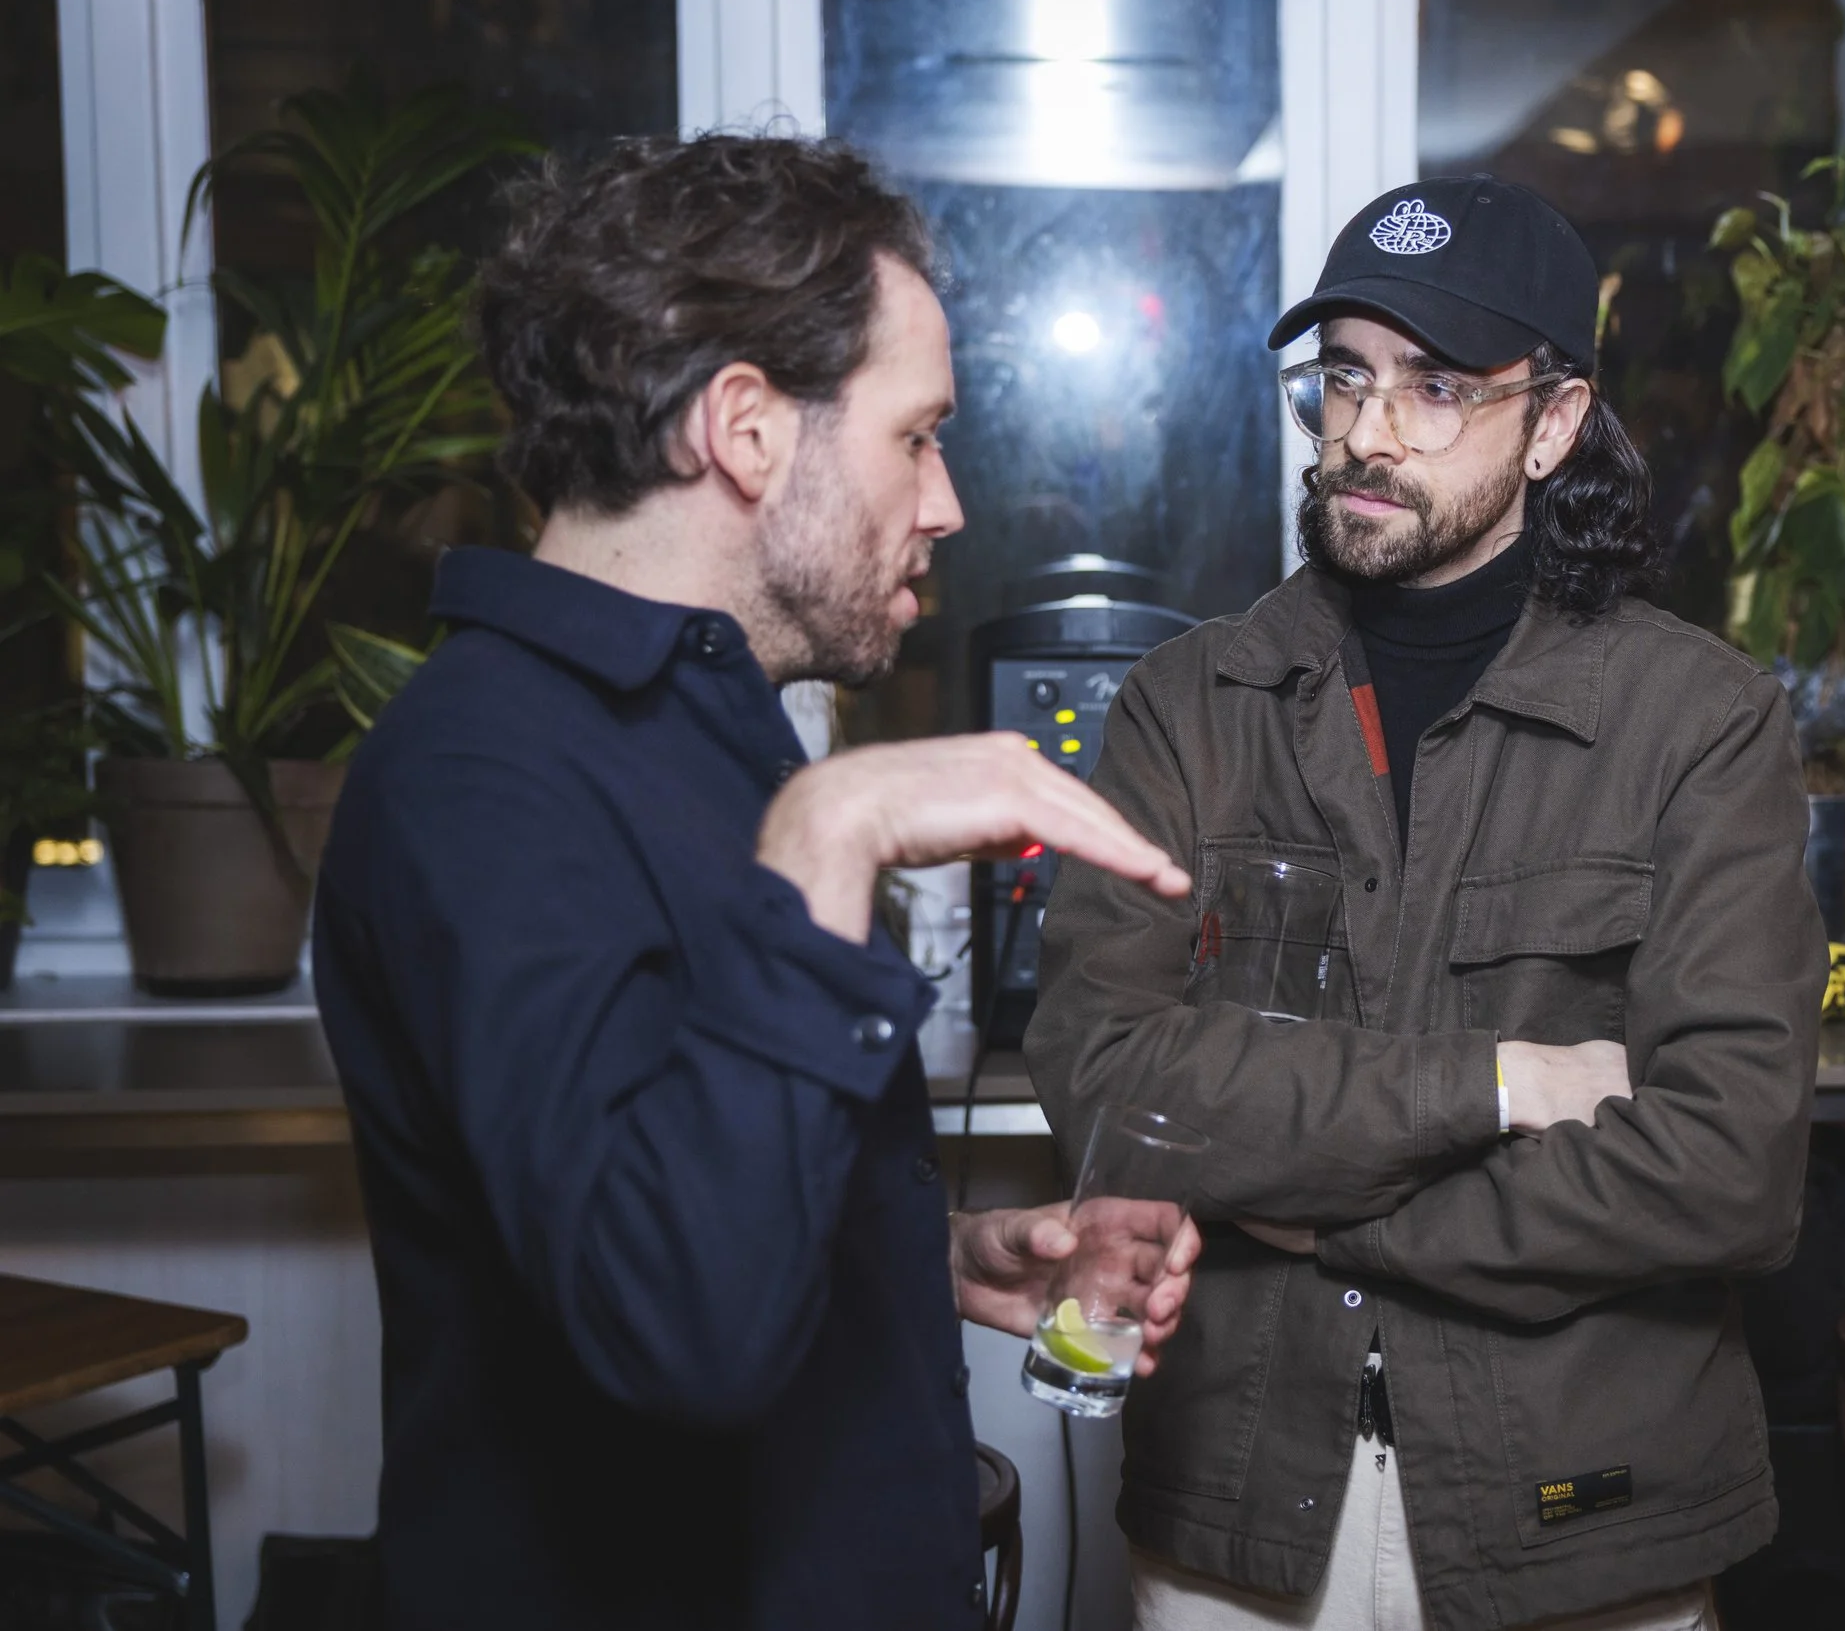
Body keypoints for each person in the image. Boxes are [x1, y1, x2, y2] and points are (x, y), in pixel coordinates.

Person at [313, 135, 1204, 1630]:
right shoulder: (482, 774)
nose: (947, 503)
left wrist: (918, 1257)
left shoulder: (694, 724)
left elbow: (669, 1173)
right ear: (744, 429)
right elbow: (673, 1322)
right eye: (916, 437)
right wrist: (831, 832)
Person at [1025, 176, 1826, 1631]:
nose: (1368, 432)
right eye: (1344, 376)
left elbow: (1729, 1164)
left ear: (1554, 424)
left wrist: (1324, 1218)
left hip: (1581, 1511)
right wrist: (1498, 1081)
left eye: (1438, 387)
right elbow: (1108, 1079)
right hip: (1240, 1507)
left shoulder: (1697, 721)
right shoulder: (1187, 707)